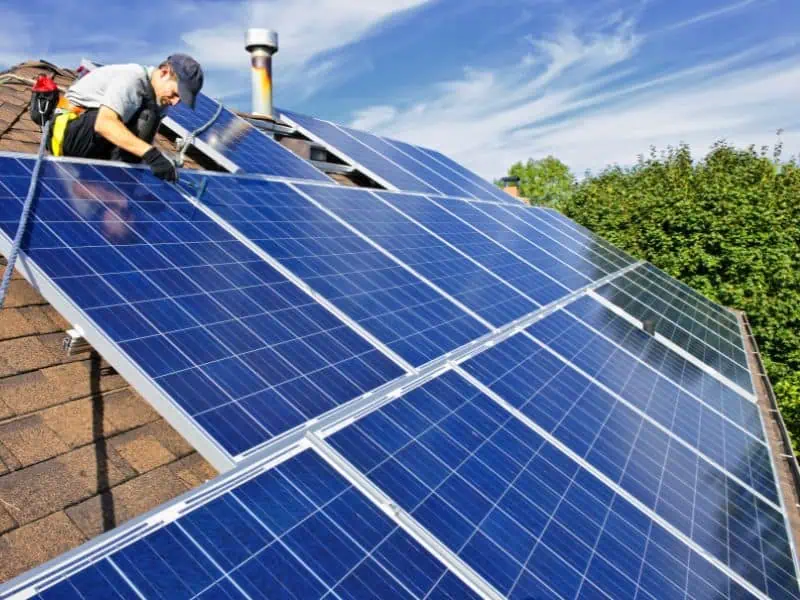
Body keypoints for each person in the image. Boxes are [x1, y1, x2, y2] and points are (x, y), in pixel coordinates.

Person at [48, 54, 204, 182]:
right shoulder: (133, 79)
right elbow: (104, 124)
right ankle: (97, 182)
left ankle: (119, 184)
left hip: (93, 139)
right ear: (164, 72)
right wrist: (152, 155)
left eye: (180, 99)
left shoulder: (159, 101)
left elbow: (144, 142)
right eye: (175, 94)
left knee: (148, 120)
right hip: (67, 131)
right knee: (141, 119)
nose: (176, 102)